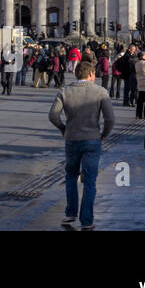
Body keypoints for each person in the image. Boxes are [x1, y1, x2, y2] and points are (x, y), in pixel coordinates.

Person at [49, 60, 115, 230]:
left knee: (71, 176)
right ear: (91, 74)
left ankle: (70, 213)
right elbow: (110, 118)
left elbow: (53, 115)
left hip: (72, 138)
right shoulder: (100, 92)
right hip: (92, 139)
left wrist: (63, 128)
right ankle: (86, 220)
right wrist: (104, 135)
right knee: (90, 180)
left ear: (76, 73)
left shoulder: (64, 91)